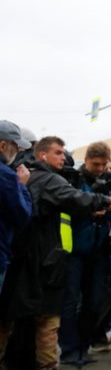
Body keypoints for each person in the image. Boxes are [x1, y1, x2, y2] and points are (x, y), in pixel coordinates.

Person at [0, 136, 111, 370]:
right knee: (48, 319)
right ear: (42, 154)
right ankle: (48, 364)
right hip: (45, 260)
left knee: (10, 317)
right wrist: (106, 200)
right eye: (57, 152)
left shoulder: (22, 175)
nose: (63, 157)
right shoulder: (50, 179)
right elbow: (75, 198)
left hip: (20, 257)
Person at [60, 141, 111, 366]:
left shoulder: (110, 182)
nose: (101, 169)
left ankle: (83, 347)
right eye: (96, 164)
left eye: (104, 164)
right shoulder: (73, 180)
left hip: (100, 250)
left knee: (95, 302)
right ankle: (69, 350)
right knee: (70, 301)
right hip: (75, 249)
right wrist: (91, 211)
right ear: (85, 161)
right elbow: (69, 205)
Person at [0, 121, 31, 297]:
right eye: (16, 146)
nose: (18, 152)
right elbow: (21, 216)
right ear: (3, 145)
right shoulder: (6, 175)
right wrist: (23, 186)